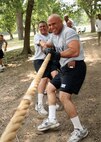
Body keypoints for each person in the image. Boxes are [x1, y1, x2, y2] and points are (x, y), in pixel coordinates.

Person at [37, 14, 88, 142]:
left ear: (61, 22)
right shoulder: (54, 36)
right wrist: (45, 48)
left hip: (75, 67)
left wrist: (57, 54)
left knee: (64, 96)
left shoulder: (69, 32)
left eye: (54, 24)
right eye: (49, 25)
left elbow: (74, 51)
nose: (51, 27)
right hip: (65, 69)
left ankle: (80, 129)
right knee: (49, 88)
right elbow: (47, 45)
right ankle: (52, 119)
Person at [33, 21, 60, 116]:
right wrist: (45, 48)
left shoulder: (51, 35)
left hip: (50, 61)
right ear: (38, 28)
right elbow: (42, 44)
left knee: (55, 77)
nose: (42, 28)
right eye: (40, 27)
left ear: (47, 27)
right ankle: (39, 104)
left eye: (44, 26)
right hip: (39, 60)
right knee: (44, 79)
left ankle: (51, 100)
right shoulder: (37, 36)